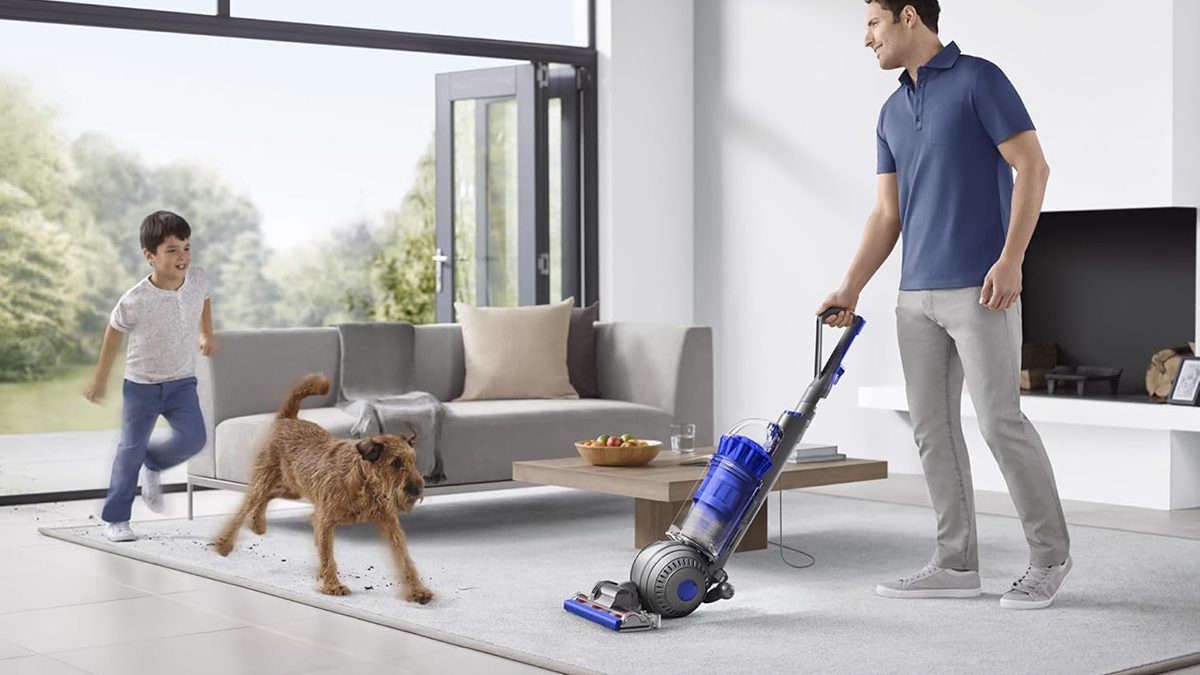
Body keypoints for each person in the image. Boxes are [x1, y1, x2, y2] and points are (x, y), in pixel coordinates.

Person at [817, 0, 1071, 609]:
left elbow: (1033, 168)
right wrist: (851, 286)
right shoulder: (889, 112)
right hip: (915, 296)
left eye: (872, 23)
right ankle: (955, 563)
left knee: (1000, 422)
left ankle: (1050, 557)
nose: (866, 38)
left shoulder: (979, 79)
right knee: (932, 429)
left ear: (908, 16)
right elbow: (887, 214)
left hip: (982, 289)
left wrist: (1012, 260)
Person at [85, 210, 215, 542]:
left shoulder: (197, 279)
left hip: (181, 382)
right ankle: (116, 518)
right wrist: (100, 379)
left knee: (195, 438)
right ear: (150, 255)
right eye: (172, 250)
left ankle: (153, 462)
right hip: (141, 386)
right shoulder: (135, 300)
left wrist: (206, 333)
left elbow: (205, 300)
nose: (182, 257)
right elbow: (113, 332)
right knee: (129, 450)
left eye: (186, 248)